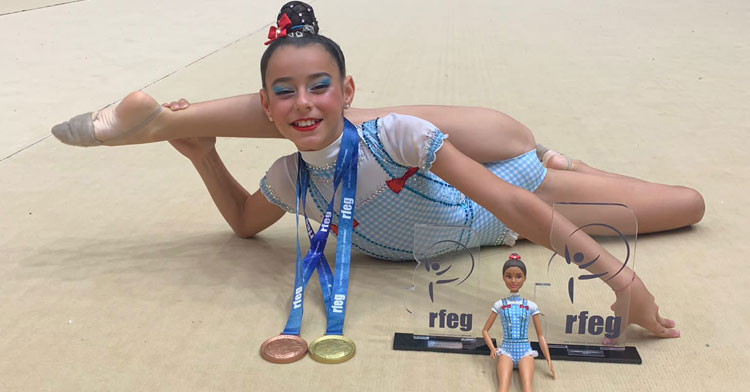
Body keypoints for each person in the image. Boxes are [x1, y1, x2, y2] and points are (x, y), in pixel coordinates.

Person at [51, 2, 703, 339]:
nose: (301, 102)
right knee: (323, 129)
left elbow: (514, 205)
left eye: (321, 85)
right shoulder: (289, 178)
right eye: (282, 93)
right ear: (265, 110)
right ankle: (172, 125)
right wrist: (207, 155)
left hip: (515, 185)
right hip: (496, 221)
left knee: (688, 206)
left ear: (347, 86)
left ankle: (168, 119)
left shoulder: (396, 135)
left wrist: (619, 278)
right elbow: (247, 224)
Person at [482, 253, 554, 392]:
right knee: (503, 387)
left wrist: (548, 360)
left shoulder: (530, 306)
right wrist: (492, 348)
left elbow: (541, 336)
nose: (513, 281)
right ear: (503, 278)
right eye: (509, 276)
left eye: (518, 276)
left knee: (527, 387)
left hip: (525, 351)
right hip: (506, 351)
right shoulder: (500, 305)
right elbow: (485, 330)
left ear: (525, 278)